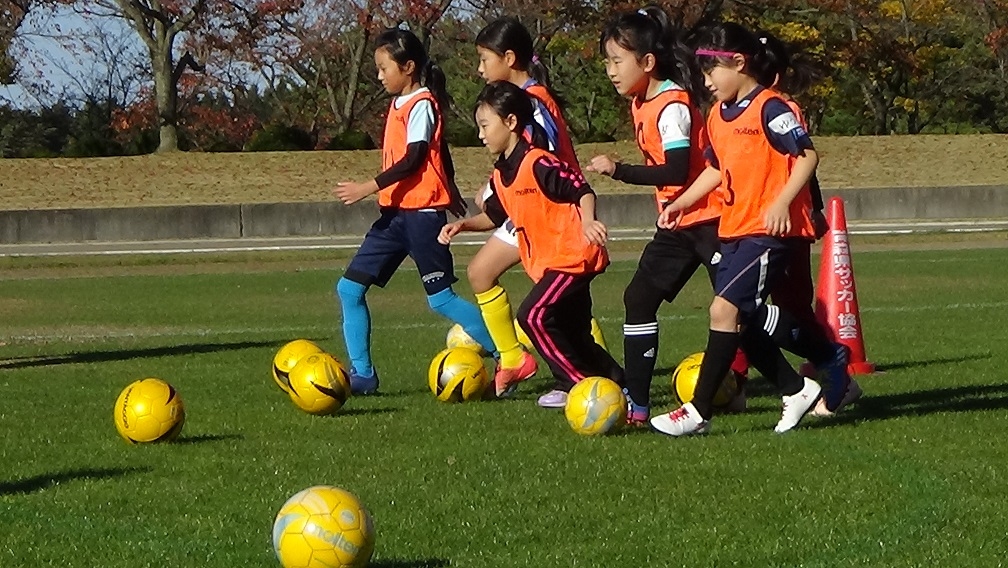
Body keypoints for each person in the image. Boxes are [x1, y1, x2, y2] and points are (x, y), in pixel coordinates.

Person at [649, 22, 851, 436]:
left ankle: (697, 411)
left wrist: (781, 203)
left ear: (739, 63)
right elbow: (714, 169)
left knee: (723, 311)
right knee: (742, 323)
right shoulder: (718, 115)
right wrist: (682, 202)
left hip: (767, 232)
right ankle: (797, 386)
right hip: (735, 229)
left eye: (711, 72)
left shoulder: (770, 107)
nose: (706, 83)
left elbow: (807, 157)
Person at [586, 5, 745, 425]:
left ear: (648, 62)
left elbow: (676, 170)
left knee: (742, 309)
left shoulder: (671, 104)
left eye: (617, 60)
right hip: (680, 222)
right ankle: (637, 405)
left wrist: (619, 170)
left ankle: (816, 370)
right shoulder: (643, 102)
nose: (611, 70)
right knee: (638, 298)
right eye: (608, 61)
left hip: (711, 220)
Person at [439, 80, 623, 408]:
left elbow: (581, 189)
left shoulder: (539, 162)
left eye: (485, 125)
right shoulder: (501, 174)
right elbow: (496, 216)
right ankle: (619, 383)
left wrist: (589, 220)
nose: (480, 135)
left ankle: (576, 384)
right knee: (574, 333)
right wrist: (464, 224)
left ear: (510, 123)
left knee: (533, 316)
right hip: (551, 263)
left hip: (572, 257)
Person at [332, 27, 496, 395]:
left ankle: (507, 357)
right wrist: (450, 186)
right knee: (349, 289)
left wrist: (366, 187)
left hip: (421, 217)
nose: (379, 76)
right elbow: (441, 155)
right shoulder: (399, 104)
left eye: (383, 67)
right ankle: (363, 375)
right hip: (393, 218)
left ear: (408, 67)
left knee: (441, 299)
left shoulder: (422, 103)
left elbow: (414, 158)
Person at [469, 16, 607, 403]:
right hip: (531, 207)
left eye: (484, 59)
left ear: (508, 58)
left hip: (551, 209)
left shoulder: (532, 101)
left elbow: (540, 157)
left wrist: (498, 190)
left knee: (546, 306)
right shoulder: (518, 101)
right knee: (493, 277)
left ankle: (572, 377)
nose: (480, 69)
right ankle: (544, 365)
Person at [752, 30, 862, 416]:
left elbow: (805, 164)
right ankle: (729, 382)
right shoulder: (733, 109)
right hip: (749, 224)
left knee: (788, 306)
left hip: (784, 226)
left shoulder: (780, 109)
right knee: (738, 305)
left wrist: (813, 210)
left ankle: (834, 370)